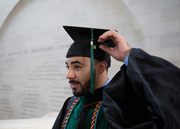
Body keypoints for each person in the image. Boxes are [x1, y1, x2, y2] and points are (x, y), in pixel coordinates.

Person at [52, 26, 180, 129]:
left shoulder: (123, 105)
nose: (69, 75)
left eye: (77, 67)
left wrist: (128, 55)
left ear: (101, 67)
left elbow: (171, 97)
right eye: (68, 67)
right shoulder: (70, 105)